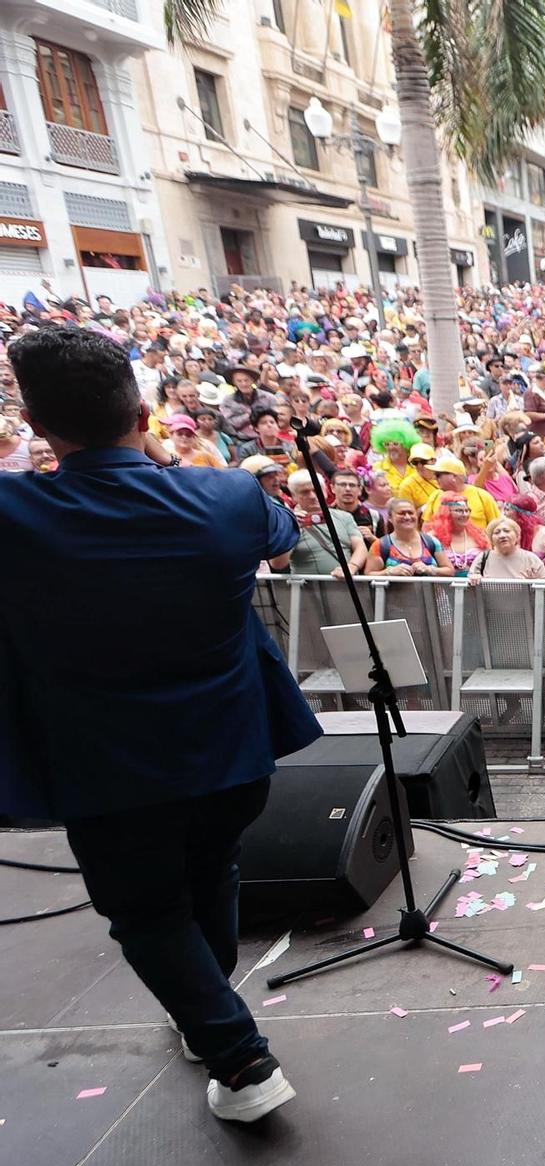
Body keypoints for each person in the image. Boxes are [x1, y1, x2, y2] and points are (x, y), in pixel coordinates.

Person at [0, 324, 318, 1123]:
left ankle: (242, 1061)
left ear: (38, 428)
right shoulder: (228, 497)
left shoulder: (13, 513)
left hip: (109, 771)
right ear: (142, 413)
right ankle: (203, 1017)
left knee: (146, 912)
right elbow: (283, 535)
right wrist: (170, 469)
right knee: (211, 873)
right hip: (233, 753)